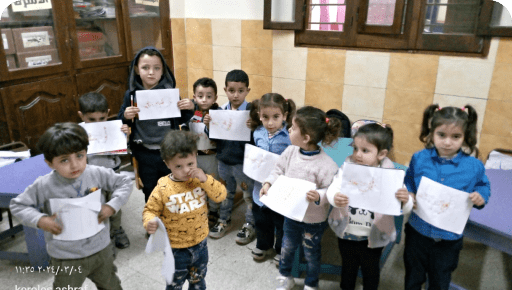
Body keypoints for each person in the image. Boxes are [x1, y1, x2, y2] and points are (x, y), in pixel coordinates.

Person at [10, 122, 132, 289]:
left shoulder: (96, 173)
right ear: (50, 163)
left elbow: (125, 181)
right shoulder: (45, 185)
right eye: (64, 160)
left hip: (101, 250)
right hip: (66, 257)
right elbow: (18, 206)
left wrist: (112, 205)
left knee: (111, 285)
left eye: (80, 156)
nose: (75, 165)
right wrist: (41, 220)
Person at [403, 104, 491, 290]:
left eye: (456, 137)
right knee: (413, 275)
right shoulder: (419, 158)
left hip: (448, 239)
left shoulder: (474, 166)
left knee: (440, 279)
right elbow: (409, 178)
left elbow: (483, 186)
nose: (447, 142)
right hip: (417, 232)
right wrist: (410, 192)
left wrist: (481, 197)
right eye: (441, 135)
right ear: (432, 132)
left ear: (465, 136)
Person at [260, 106, 342, 290]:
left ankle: (311, 284)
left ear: (306, 138)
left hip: (313, 220)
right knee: (287, 249)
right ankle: (285, 277)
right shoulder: (290, 152)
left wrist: (319, 195)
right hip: (291, 215)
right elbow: (278, 170)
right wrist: (268, 183)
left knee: (311, 253)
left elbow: (331, 190)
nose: (289, 129)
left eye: (294, 128)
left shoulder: (326, 164)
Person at [326, 122, 414, 290]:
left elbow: (405, 208)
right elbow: (333, 188)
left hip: (373, 235)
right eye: (355, 149)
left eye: (365, 150)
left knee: (371, 271)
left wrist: (406, 200)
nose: (358, 155)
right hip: (347, 232)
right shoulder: (347, 168)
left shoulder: (390, 175)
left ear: (381, 154)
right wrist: (334, 197)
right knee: (348, 268)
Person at [142, 130, 227, 290]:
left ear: (195, 155)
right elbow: (150, 210)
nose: (186, 170)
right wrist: (149, 221)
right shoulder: (163, 187)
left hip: (200, 244)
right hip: (176, 249)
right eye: (178, 166)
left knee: (198, 281)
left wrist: (205, 179)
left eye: (190, 164)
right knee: (174, 284)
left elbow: (220, 195)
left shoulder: (201, 180)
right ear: (167, 164)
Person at [118, 46, 194, 203]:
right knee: (150, 189)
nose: (151, 72)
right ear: (137, 70)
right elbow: (122, 122)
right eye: (145, 67)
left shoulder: (169, 92)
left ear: (163, 71)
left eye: (156, 68)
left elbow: (179, 120)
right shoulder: (131, 95)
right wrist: (125, 116)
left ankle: (172, 221)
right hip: (144, 152)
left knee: (172, 188)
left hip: (169, 152)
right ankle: (152, 222)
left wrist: (190, 108)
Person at [203, 69, 256, 245]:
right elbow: (213, 139)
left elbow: (259, 140)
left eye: (241, 91)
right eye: (232, 91)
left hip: (243, 164)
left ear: (247, 91)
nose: (236, 95)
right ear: (225, 90)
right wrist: (209, 126)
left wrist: (254, 126)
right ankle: (224, 220)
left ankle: (250, 224)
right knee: (225, 193)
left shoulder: (251, 112)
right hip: (223, 161)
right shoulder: (219, 111)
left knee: (248, 194)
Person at [78, 91, 131, 249]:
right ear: (81, 116)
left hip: (111, 175)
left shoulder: (114, 128)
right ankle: (99, 234)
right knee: (94, 204)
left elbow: (121, 149)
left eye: (102, 118)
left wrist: (125, 138)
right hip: (90, 177)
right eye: (91, 119)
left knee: (114, 203)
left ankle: (116, 230)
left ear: (108, 114)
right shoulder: (77, 132)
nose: (97, 123)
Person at [248, 93, 296, 264]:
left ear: (284, 116)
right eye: (265, 117)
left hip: (280, 187)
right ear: (259, 115)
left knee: (280, 223)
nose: (270, 123)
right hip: (259, 187)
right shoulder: (258, 133)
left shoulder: (290, 137)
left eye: (276, 117)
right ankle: (263, 244)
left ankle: (280, 249)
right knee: (261, 219)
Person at [182, 77, 220, 226]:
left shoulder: (218, 113)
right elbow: (186, 127)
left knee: (211, 182)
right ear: (194, 97)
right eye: (200, 96)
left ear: (215, 98)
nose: (204, 100)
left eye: (209, 96)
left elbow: (222, 135)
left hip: (212, 156)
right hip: (195, 157)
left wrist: (211, 125)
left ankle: (214, 210)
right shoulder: (194, 114)